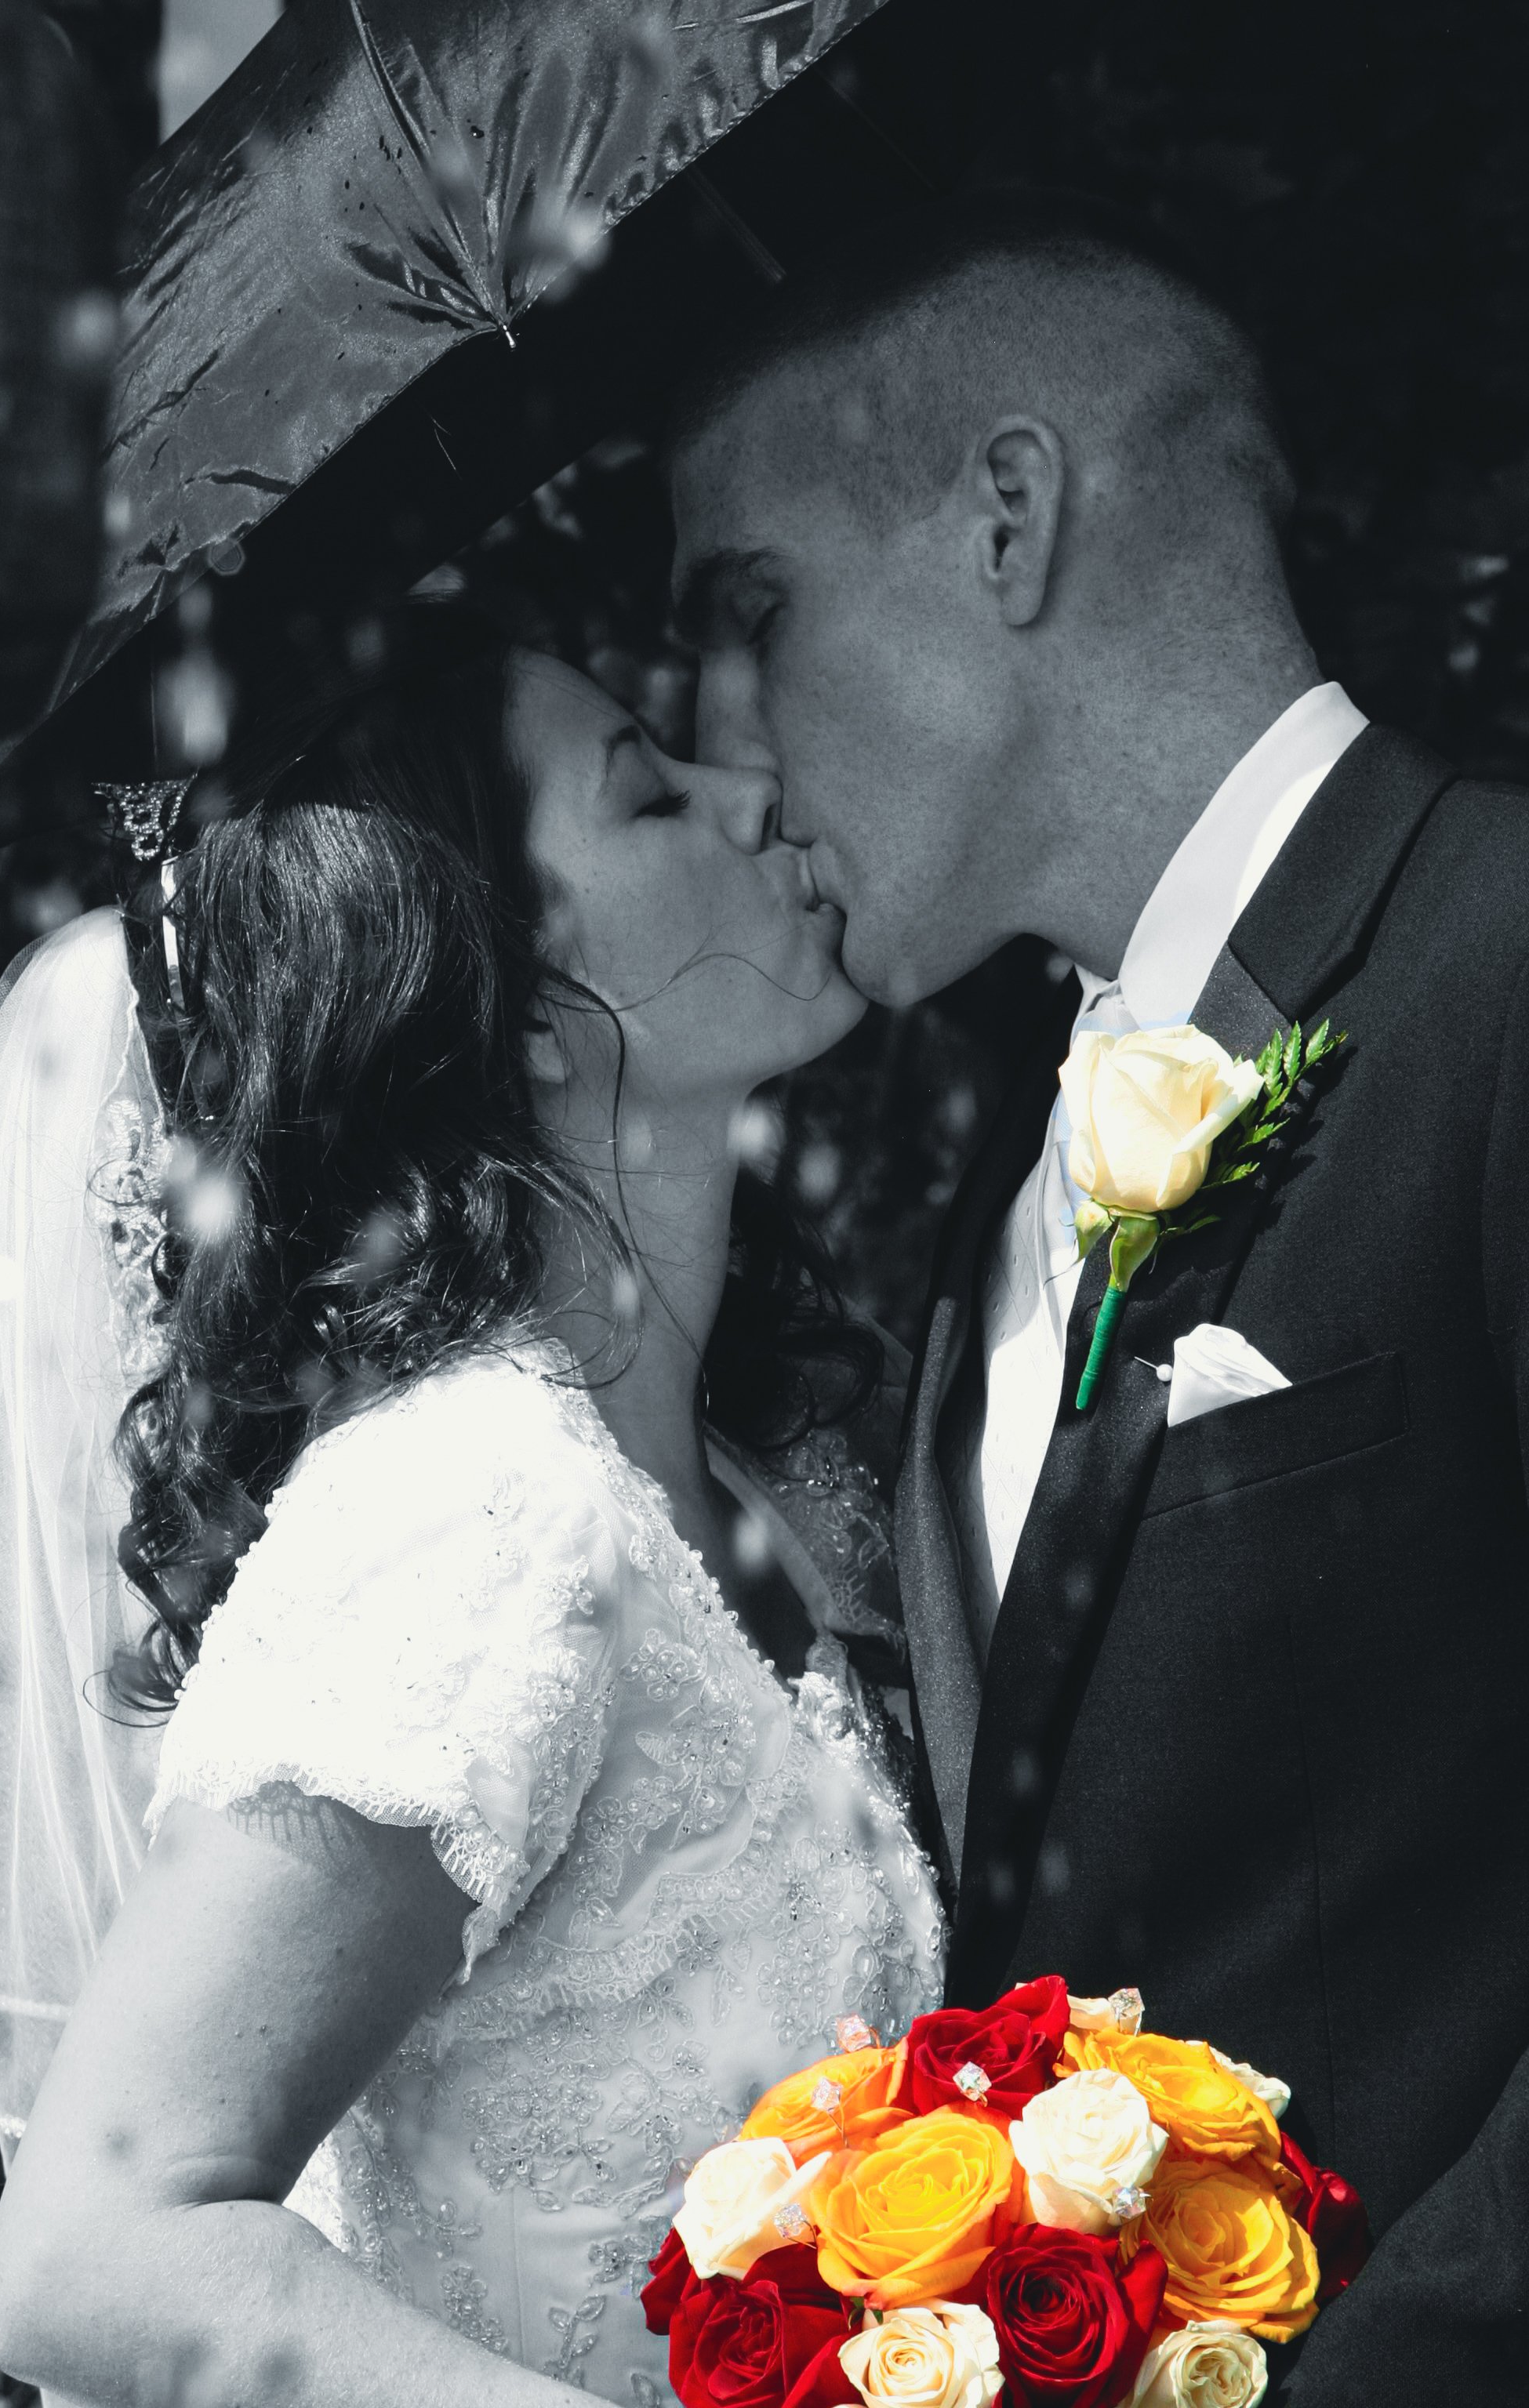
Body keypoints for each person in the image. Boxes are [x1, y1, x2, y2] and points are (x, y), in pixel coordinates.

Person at [668, 189, 1529, 2399]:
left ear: (1007, 524)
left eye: (749, 606)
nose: (724, 741)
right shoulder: (996, 1188)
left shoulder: (1503, 965)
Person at [0, 615, 942, 2406]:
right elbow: (92, 2253)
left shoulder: (777, 1474)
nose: (744, 790)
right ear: (530, 1009)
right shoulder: (476, 1520)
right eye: (648, 792)